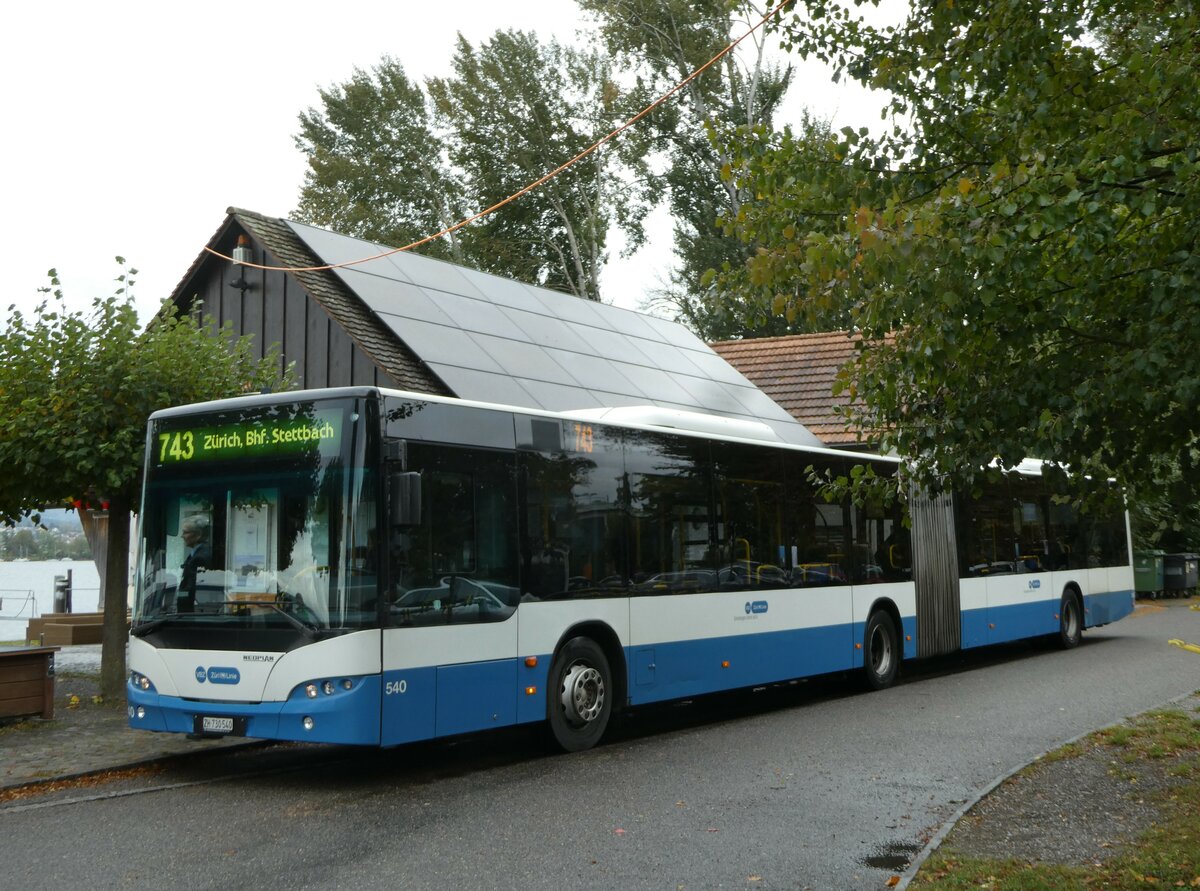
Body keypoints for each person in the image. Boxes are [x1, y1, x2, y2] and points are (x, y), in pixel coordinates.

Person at [178, 515, 212, 611]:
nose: (182, 536)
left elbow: (191, 588)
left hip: (189, 612)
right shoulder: (197, 553)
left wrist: (179, 594)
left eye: (185, 532)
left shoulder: (200, 558)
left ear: (198, 535)